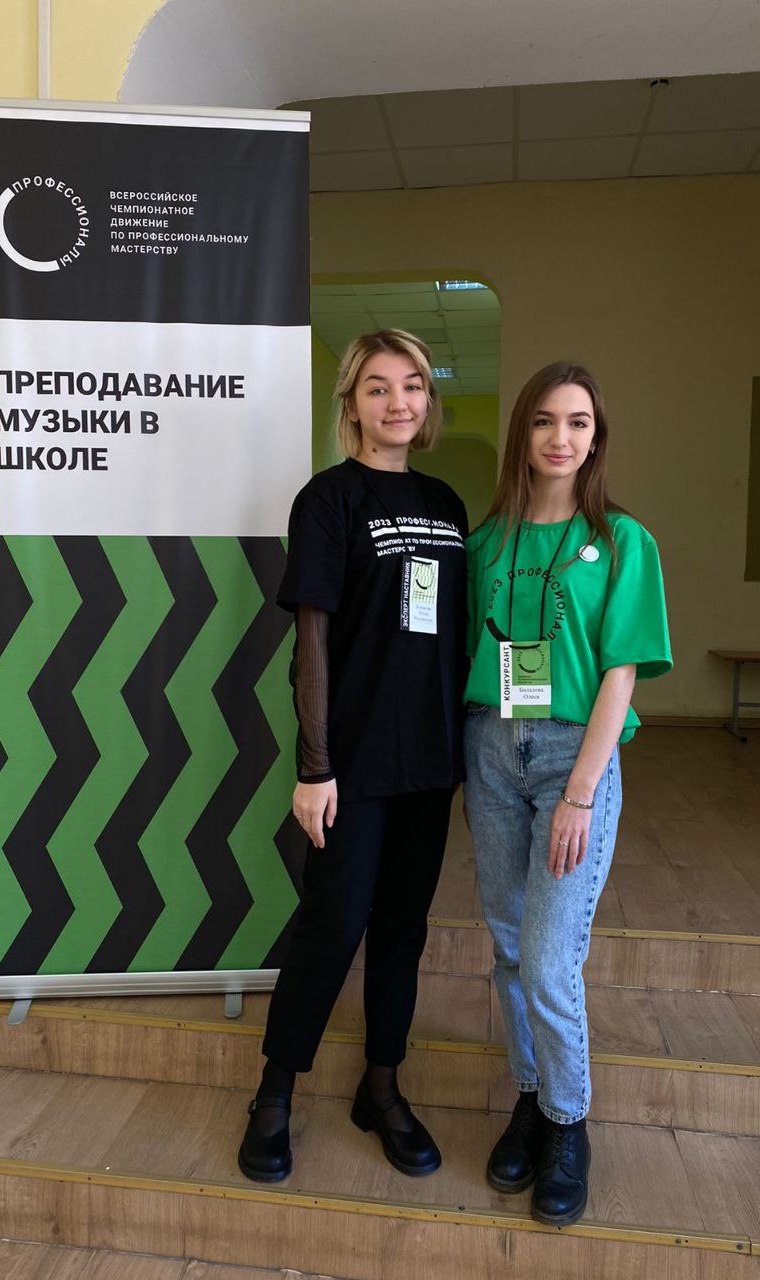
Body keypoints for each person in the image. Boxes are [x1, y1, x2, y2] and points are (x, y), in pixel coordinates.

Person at [238, 329, 469, 1183]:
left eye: (412, 385)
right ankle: (274, 1092)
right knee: (333, 925)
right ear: (352, 404)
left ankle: (382, 1087)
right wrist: (314, 766)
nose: (397, 401)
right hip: (352, 763)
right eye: (378, 386)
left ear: (427, 402)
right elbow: (311, 641)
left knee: (402, 930)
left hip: (430, 759)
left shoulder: (447, 504)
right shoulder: (328, 500)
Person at [463, 361, 671, 1225]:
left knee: (551, 958)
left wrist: (582, 791)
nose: (561, 437)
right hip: (489, 747)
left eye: (578, 422)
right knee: (511, 945)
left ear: (596, 437)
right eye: (545, 420)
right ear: (523, 434)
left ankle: (566, 1120)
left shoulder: (622, 541)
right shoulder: (487, 541)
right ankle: (530, 1096)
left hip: (572, 759)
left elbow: (622, 670)